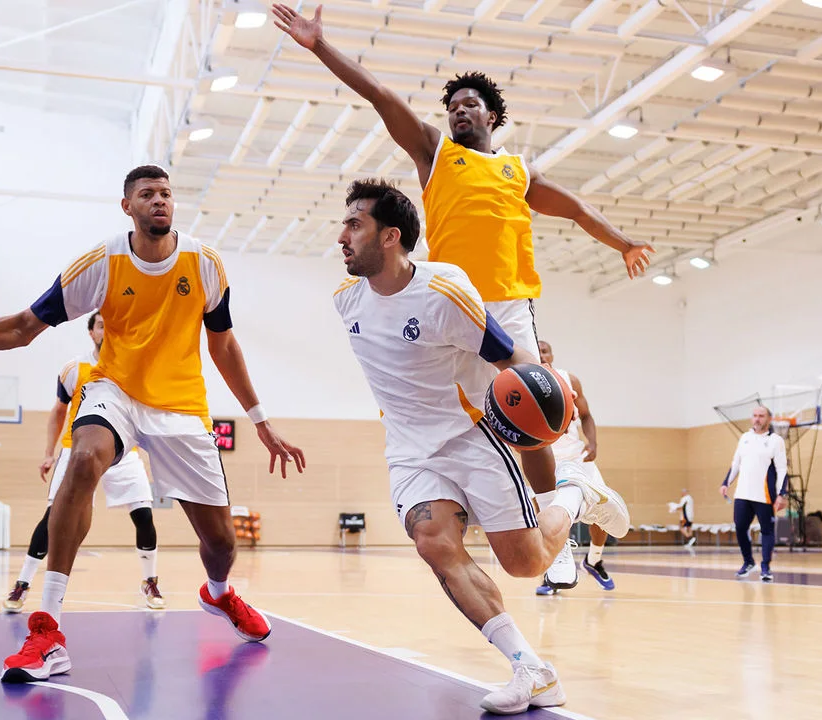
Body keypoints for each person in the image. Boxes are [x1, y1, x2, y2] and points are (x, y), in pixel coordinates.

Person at [0, 165, 305, 683]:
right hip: (114, 388)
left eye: (166, 194)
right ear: (128, 207)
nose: (160, 201)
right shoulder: (103, 262)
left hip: (182, 407)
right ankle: (47, 629)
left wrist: (260, 420)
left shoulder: (205, 264)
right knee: (84, 457)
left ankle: (220, 593)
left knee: (222, 545)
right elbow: (24, 328)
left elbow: (223, 343)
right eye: (147, 194)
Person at [273, 3, 651, 585]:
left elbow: (576, 210)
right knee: (461, 421)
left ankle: (563, 531)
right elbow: (380, 96)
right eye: (452, 106)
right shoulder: (434, 155)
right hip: (450, 306)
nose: (458, 111)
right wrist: (320, 47)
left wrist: (623, 243)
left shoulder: (518, 173)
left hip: (508, 304)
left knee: (529, 418)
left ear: (492, 116)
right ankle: (533, 508)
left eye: (470, 104)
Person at [331, 179, 631, 715]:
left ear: (390, 237)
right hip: (409, 451)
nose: (342, 235)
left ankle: (577, 493)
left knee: (527, 563)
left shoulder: (444, 291)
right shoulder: (345, 300)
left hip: (471, 437)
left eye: (355, 223)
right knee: (433, 542)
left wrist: (545, 411)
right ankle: (531, 670)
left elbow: (512, 359)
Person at [3, 311, 166, 614]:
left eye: (112, 324)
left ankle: (150, 581)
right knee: (55, 516)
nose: (108, 329)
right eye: (102, 325)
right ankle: (23, 583)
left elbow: (147, 412)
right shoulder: (73, 369)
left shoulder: (135, 367)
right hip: (75, 449)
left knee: (144, 515)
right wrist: (49, 453)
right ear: (91, 332)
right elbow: (58, 411)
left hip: (124, 452)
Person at [533, 341, 615, 595]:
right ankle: (552, 574)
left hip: (578, 458)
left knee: (604, 513)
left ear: (552, 355)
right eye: (536, 351)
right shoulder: (521, 382)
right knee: (549, 519)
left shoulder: (570, 380)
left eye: (545, 350)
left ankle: (594, 560)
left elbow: (587, 415)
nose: (541, 354)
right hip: (545, 459)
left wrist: (593, 442)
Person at [720, 406, 788, 582]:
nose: (757, 419)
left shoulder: (776, 441)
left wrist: (782, 494)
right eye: (755, 416)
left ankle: (765, 568)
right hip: (742, 494)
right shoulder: (744, 438)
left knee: (767, 531)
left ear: (768, 419)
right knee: (740, 528)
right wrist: (726, 483)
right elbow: (736, 463)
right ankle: (748, 562)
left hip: (764, 495)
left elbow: (782, 469)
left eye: (761, 416)